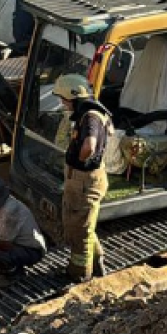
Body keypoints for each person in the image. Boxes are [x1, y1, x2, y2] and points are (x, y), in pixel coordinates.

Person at [55, 73, 112, 282]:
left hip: (84, 181)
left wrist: (79, 162)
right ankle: (97, 263)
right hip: (82, 180)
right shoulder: (89, 113)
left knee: (81, 231)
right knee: (84, 225)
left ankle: (80, 274)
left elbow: (89, 146)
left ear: (73, 96)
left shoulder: (90, 117)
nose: (62, 103)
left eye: (63, 99)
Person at [0, 176, 46, 283]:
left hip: (29, 250)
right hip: (6, 239)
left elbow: (5, 245)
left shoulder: (10, 212)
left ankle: (13, 272)